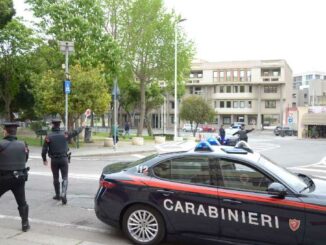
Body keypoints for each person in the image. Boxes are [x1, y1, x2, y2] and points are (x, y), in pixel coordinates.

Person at [42, 119, 85, 205]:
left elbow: (44, 150)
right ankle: (63, 194)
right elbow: (75, 132)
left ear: (52, 125)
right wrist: (82, 127)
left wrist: (44, 159)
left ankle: (58, 195)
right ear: (59, 125)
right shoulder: (65, 134)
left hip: (54, 160)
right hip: (64, 159)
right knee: (65, 177)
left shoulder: (49, 136)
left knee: (55, 177)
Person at [0, 122, 30, 231]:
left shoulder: (1, 144)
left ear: (5, 131)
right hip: (19, 178)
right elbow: (25, 159)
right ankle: (25, 224)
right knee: (22, 201)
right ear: (15, 131)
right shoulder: (23, 144)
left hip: (3, 178)